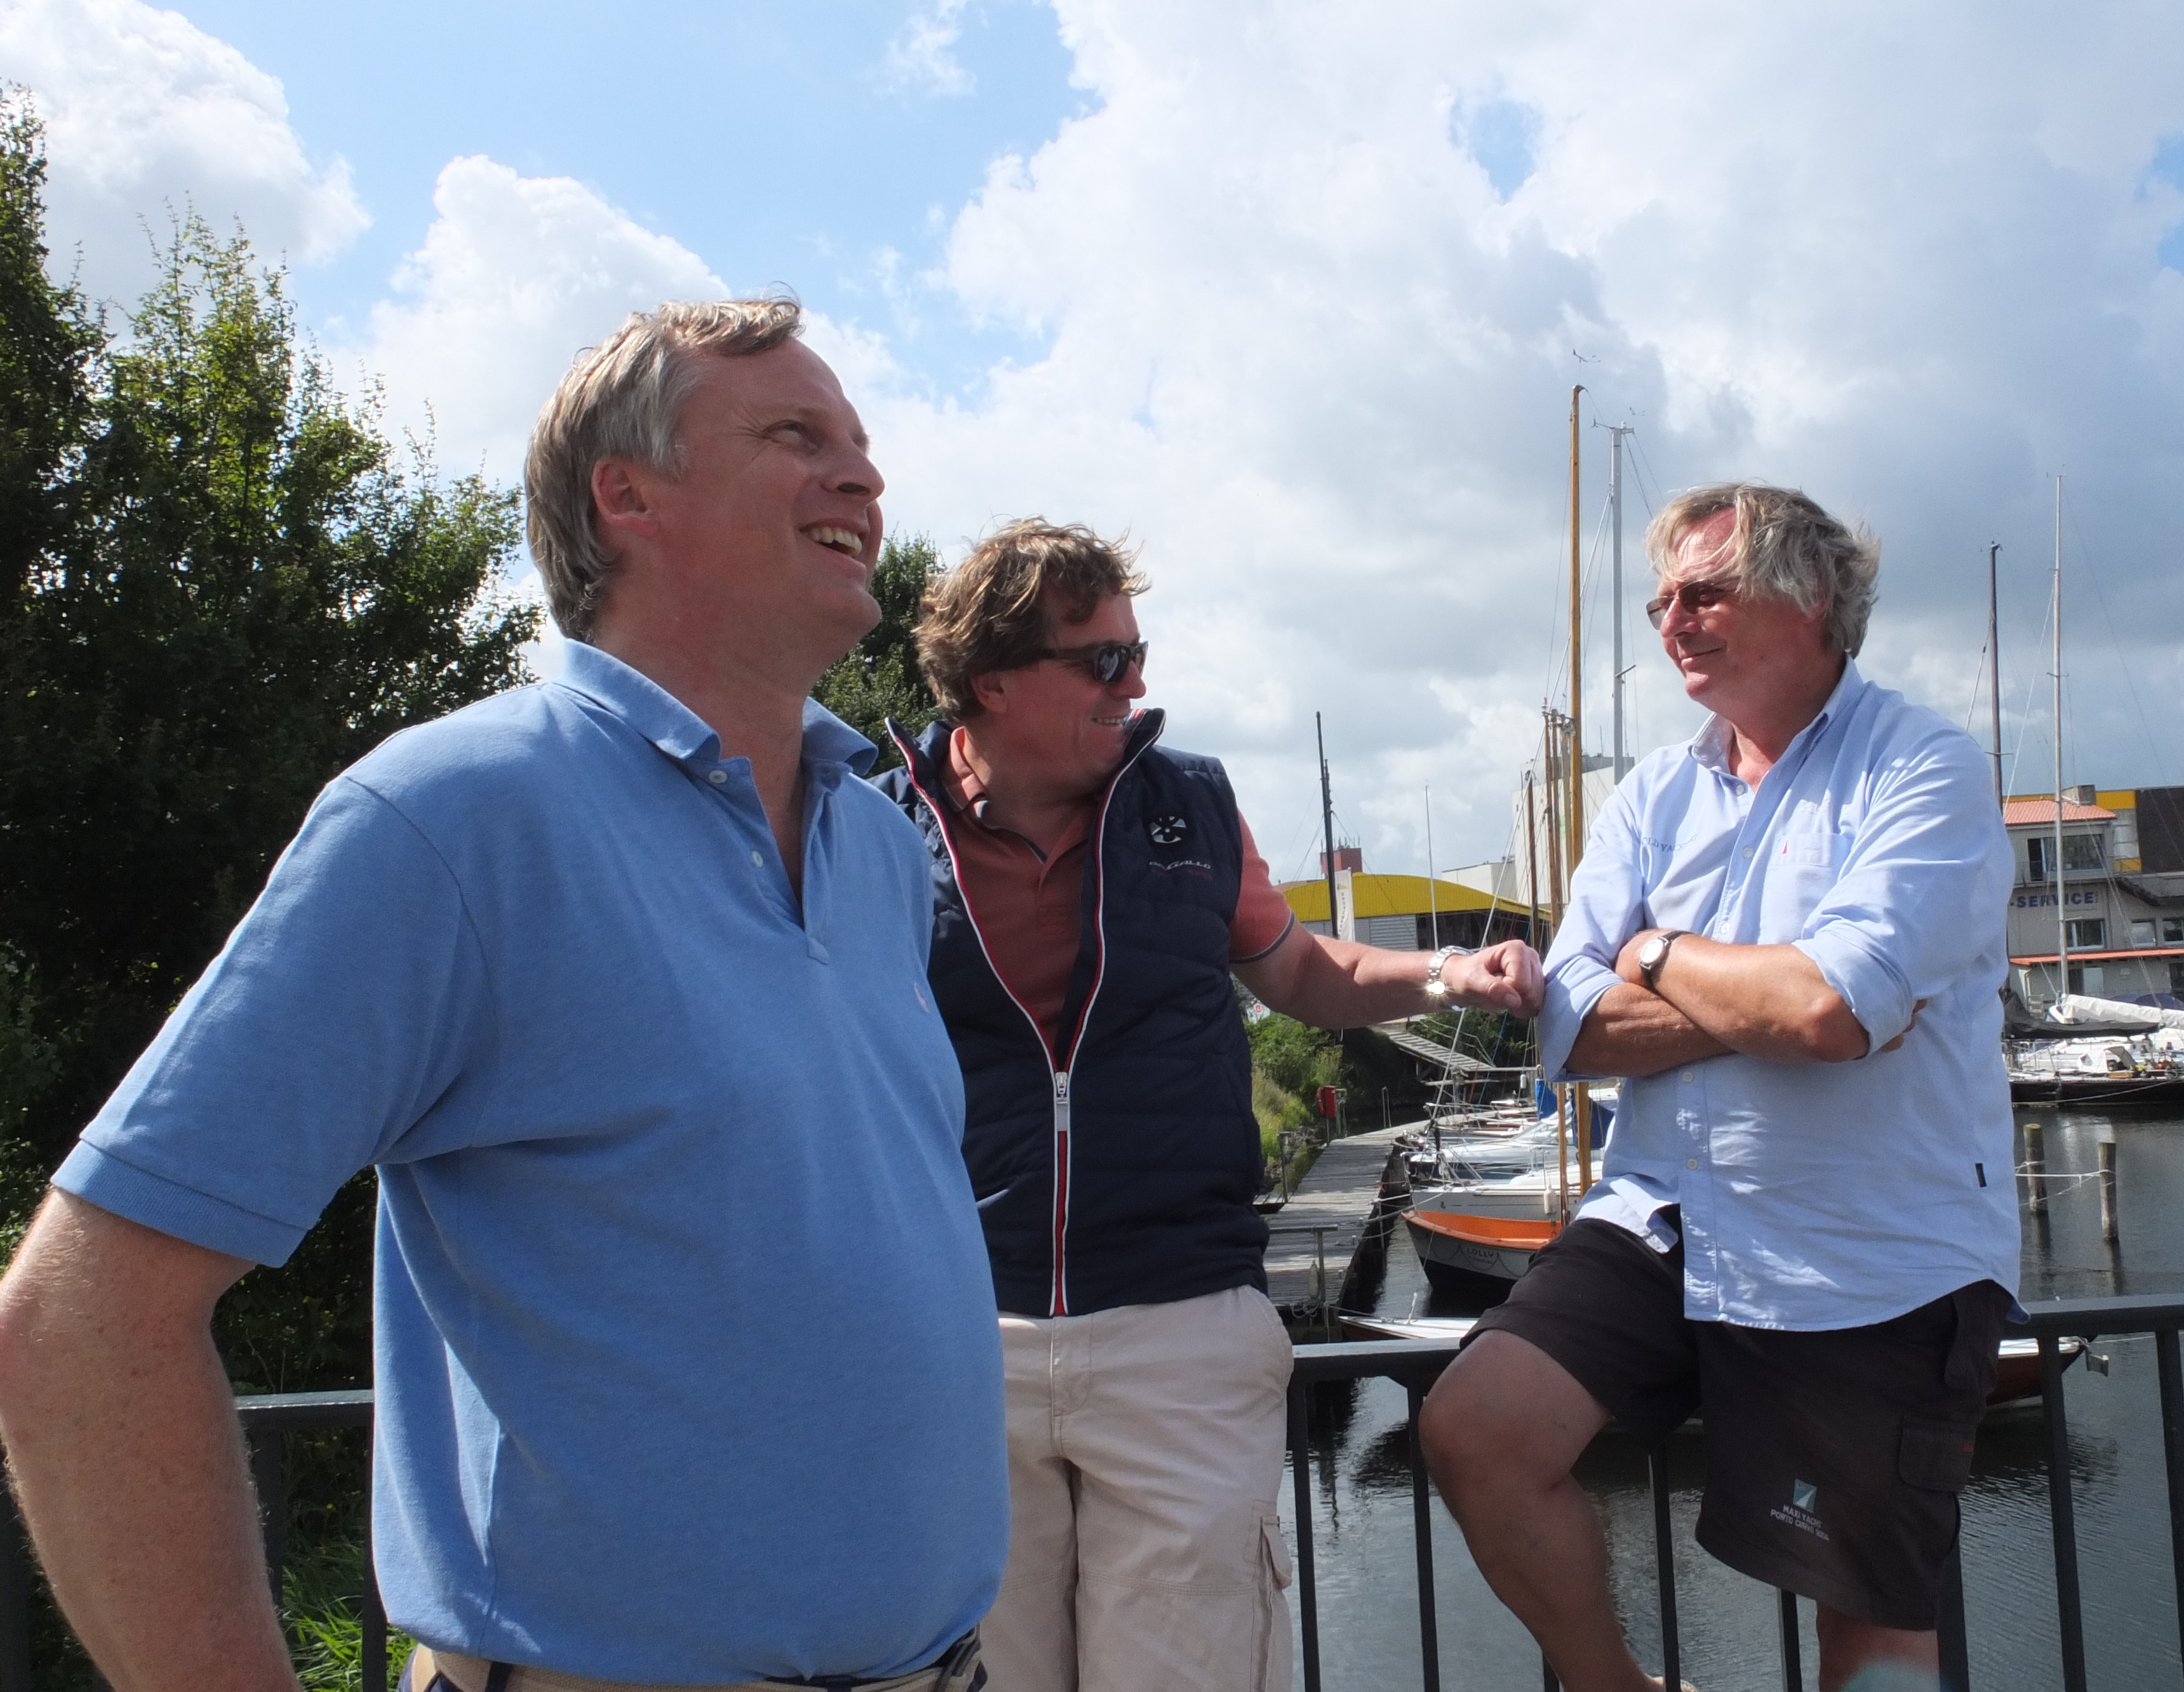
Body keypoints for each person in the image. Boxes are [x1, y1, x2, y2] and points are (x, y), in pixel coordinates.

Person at [0, 300, 1007, 1692]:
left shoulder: (883, 850)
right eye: (796, 435)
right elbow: (81, 1321)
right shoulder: (453, 816)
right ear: (626, 495)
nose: (864, 476)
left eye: (860, 442)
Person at [873, 520, 1544, 1692]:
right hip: (961, 1339)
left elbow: (1303, 971)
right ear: (992, 681)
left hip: (1179, 1324)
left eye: (1137, 653)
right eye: (1104, 660)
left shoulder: (1187, 804)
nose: (1136, 686)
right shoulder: (873, 827)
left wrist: (1451, 974)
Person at [1420, 482, 2019, 1692]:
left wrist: (1651, 954)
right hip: (1665, 1214)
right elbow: (1574, 1029)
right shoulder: (1653, 794)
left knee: (1865, 1622)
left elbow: (1829, 1008)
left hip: (1865, 1252)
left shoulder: (1922, 768)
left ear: (1810, 598)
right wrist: (1770, 1004)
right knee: (1476, 1428)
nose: (1672, 620)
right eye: (1661, 602)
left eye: (1703, 592)